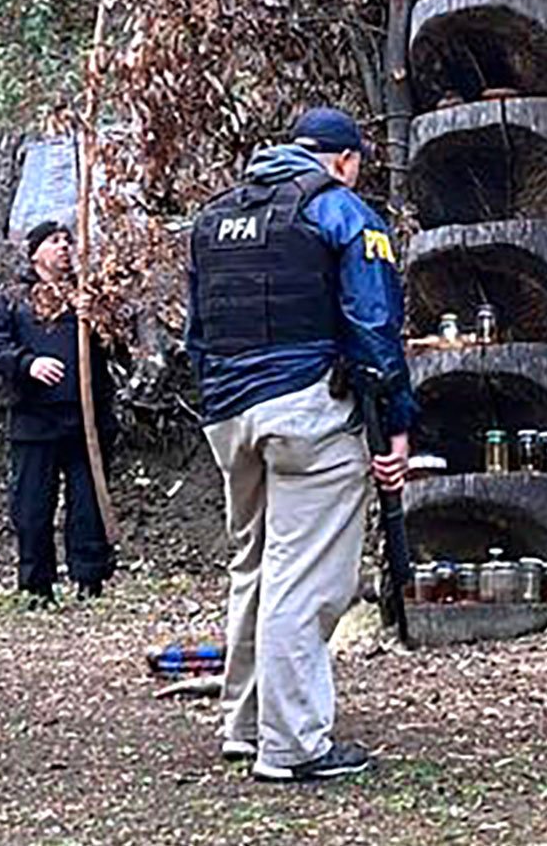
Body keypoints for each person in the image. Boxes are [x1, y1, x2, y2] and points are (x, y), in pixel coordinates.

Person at [186, 106, 415, 784]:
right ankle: (292, 746)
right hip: (308, 413)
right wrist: (396, 420)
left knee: (256, 564)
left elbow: (198, 332)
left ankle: (246, 724)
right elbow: (374, 327)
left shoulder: (216, 219)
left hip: (228, 415)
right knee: (305, 577)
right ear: (344, 160)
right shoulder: (342, 212)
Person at [0, 218, 121, 608]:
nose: (64, 247)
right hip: (34, 420)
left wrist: (98, 319)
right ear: (35, 252)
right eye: (54, 241)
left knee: (88, 502)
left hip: (86, 419)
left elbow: (117, 345)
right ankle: (37, 586)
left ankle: (90, 580)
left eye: (67, 240)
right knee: (32, 506)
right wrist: (27, 364)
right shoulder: (13, 300)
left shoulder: (86, 297)